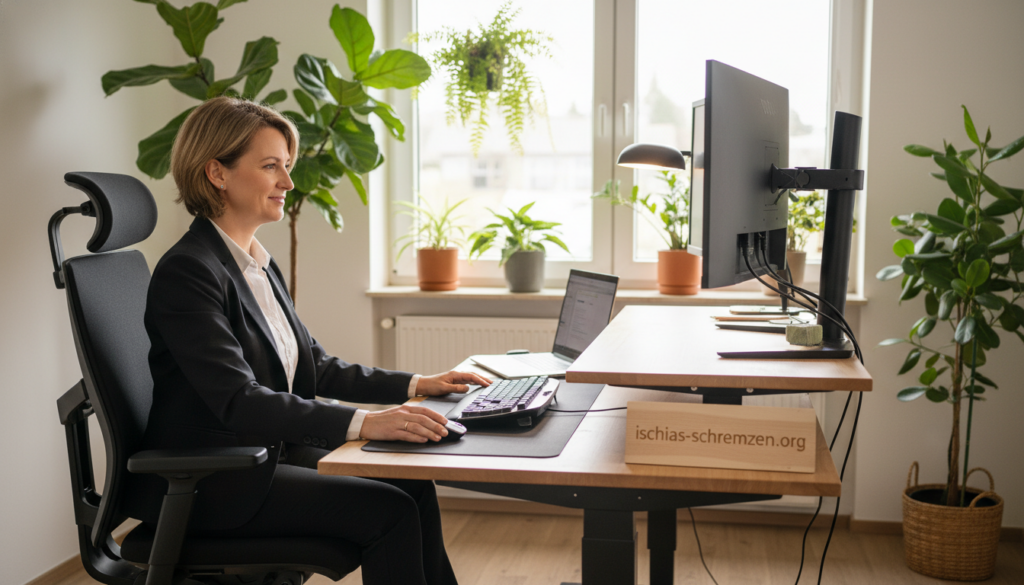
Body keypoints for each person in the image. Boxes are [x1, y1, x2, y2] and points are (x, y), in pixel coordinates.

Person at [123, 96, 489, 585]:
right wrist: (365, 424)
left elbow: (313, 364)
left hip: (267, 457)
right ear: (217, 173)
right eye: (271, 166)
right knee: (389, 511)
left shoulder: (255, 263)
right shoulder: (189, 271)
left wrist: (419, 383)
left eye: (287, 166)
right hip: (217, 483)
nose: (288, 183)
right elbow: (238, 401)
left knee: (412, 485)